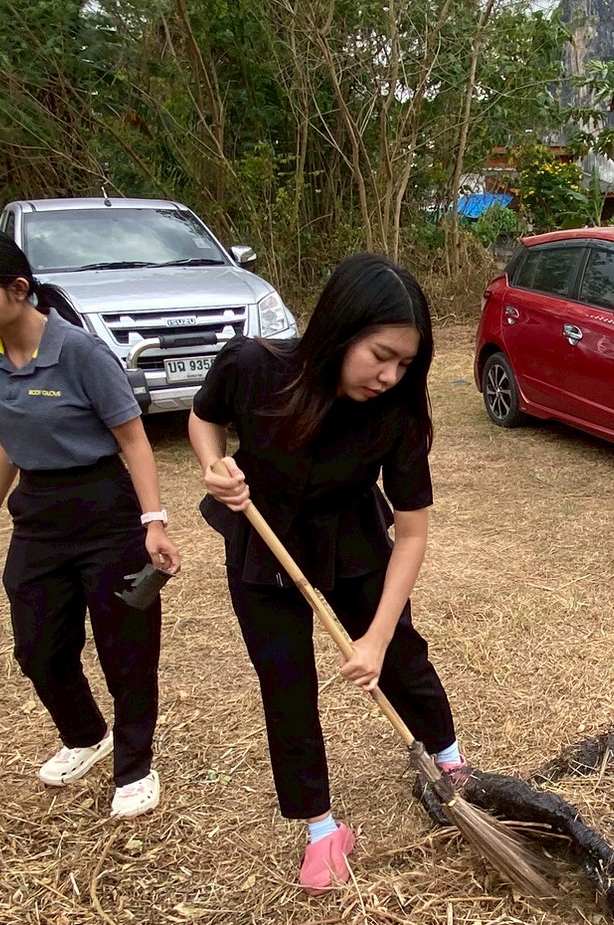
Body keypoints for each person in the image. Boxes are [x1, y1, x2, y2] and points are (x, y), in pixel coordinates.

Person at [189, 253, 465, 891]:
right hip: (264, 539)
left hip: (353, 539)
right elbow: (205, 418)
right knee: (285, 684)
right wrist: (214, 466)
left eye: (405, 363)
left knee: (401, 657)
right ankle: (321, 828)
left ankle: (449, 764)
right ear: (340, 329)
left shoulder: (396, 416)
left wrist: (373, 638)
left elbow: (413, 531)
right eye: (380, 355)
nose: (391, 375)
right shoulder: (254, 367)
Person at [0, 223, 179, 818]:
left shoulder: (79, 352)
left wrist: (154, 521)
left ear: (18, 288)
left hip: (105, 508)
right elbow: (7, 436)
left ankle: (134, 765)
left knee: (126, 648)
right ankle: (85, 735)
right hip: (39, 513)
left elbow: (133, 438)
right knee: (39, 647)